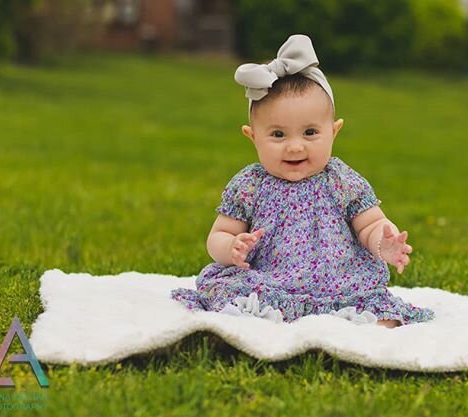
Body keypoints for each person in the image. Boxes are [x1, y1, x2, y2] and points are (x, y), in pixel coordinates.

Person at [171, 34, 435, 328]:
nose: (295, 146)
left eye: (310, 133)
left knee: (377, 310)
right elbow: (218, 235)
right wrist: (232, 247)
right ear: (253, 136)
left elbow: (370, 223)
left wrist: (382, 243)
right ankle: (263, 317)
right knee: (232, 295)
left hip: (338, 282)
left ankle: (352, 323)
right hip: (269, 280)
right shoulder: (249, 185)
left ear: (333, 132)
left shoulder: (342, 180)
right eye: (278, 134)